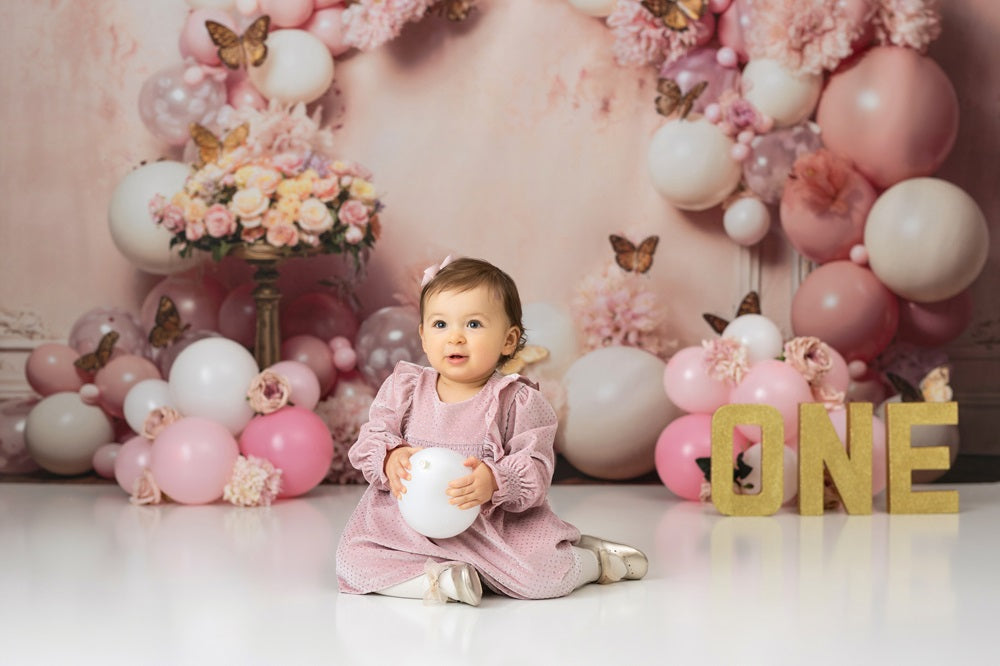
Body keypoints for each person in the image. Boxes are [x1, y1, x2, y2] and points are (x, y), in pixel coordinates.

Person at [336, 256, 647, 605]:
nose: (455, 337)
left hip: (489, 530)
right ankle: (441, 582)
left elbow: (536, 466)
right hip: (406, 526)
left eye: (473, 324)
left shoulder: (516, 400)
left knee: (542, 578)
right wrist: (390, 456)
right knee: (353, 562)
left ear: (509, 340)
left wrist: (494, 481)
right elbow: (370, 440)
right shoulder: (406, 388)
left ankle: (593, 562)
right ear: (423, 336)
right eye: (440, 324)